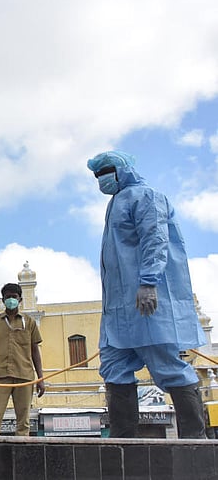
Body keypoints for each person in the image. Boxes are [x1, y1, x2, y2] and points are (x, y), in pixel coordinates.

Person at [88, 150, 207, 439]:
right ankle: (123, 440)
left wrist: (149, 282)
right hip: (117, 310)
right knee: (114, 367)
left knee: (167, 365)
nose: (101, 179)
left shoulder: (146, 196)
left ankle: (195, 438)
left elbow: (155, 238)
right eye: (97, 175)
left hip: (145, 302)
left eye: (106, 171)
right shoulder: (115, 203)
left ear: (122, 169)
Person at [0, 283, 45, 436]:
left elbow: (35, 351)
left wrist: (40, 379)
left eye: (14, 297)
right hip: (0, 377)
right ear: (3, 300)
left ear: (20, 299)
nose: (11, 300)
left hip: (25, 377)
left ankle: (22, 453)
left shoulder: (29, 322)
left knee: (23, 420)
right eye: (8, 297)